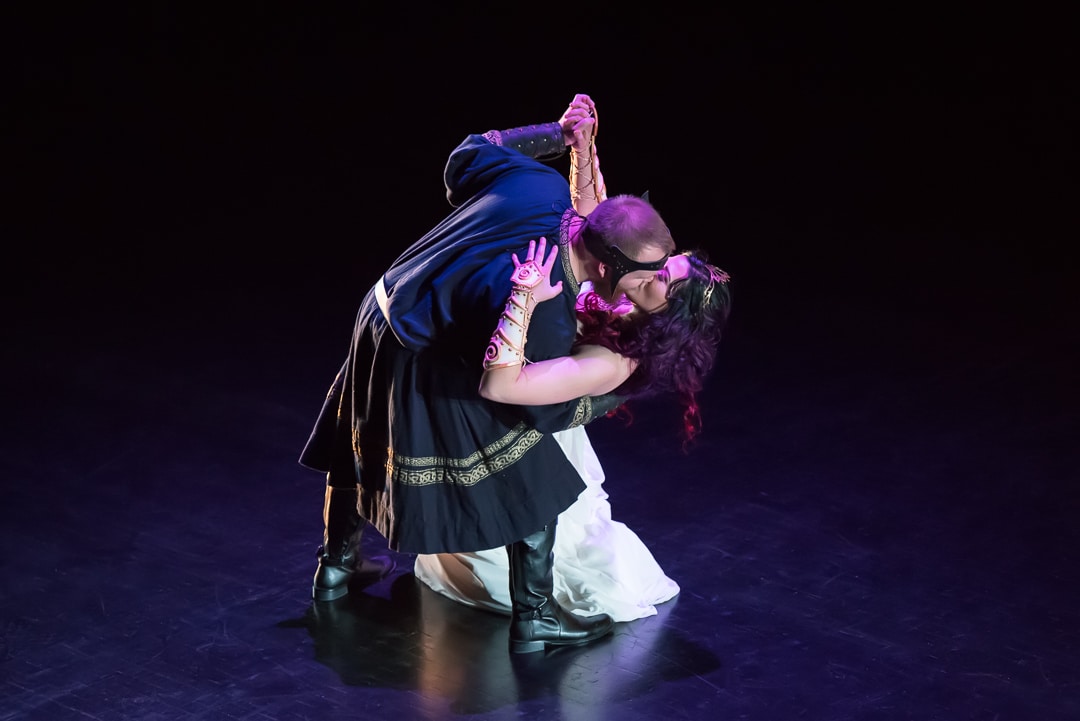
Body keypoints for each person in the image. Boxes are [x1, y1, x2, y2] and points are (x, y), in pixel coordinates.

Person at [299, 93, 677, 654]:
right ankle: (535, 619)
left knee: (358, 443)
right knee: (534, 482)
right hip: (420, 351)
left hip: (380, 312)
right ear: (604, 266)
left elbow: (470, 153)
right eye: (646, 279)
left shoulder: (543, 190)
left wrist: (562, 135)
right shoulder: (547, 307)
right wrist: (618, 387)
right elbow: (532, 404)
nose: (653, 290)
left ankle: (335, 569)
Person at [413, 110, 732, 623]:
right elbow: (597, 236)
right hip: (519, 404)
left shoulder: (614, 362)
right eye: (659, 268)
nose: (650, 274)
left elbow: (502, 385)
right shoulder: (628, 292)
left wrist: (522, 298)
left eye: (663, 282)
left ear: (666, 315)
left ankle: (534, 615)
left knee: (533, 519)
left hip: (525, 418)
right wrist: (581, 148)